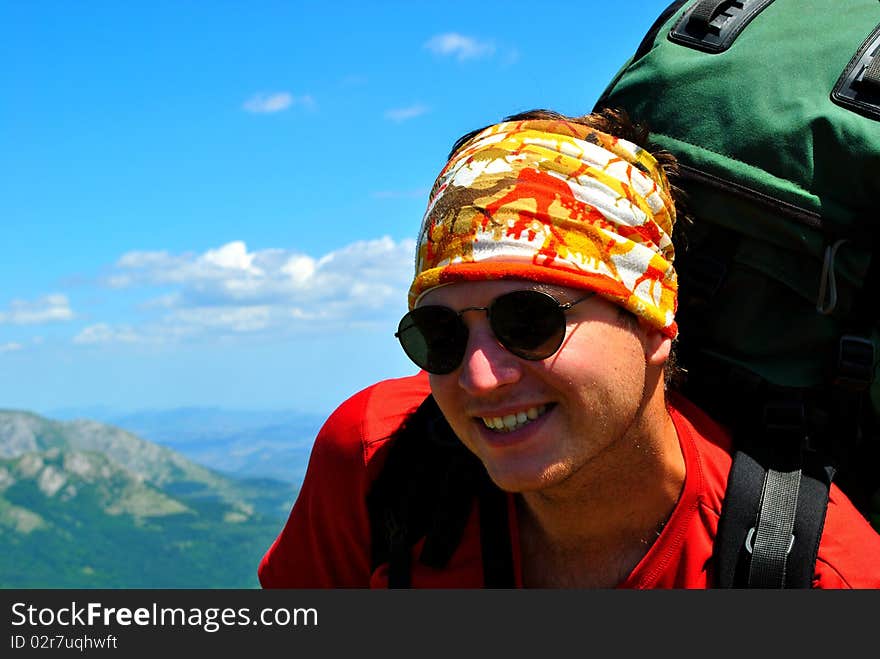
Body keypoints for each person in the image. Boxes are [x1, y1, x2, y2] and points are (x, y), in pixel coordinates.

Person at [258, 108, 880, 588]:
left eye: (528, 323)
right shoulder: (377, 458)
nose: (479, 377)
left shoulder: (819, 577)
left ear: (654, 322)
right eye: (440, 335)